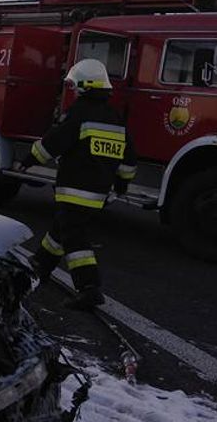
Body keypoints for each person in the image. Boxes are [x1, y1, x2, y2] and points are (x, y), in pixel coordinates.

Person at [17, 58, 136, 309]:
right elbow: (129, 158)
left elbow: (54, 142)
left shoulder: (79, 113)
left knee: (75, 237)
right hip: (99, 193)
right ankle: (41, 264)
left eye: (75, 86)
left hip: (74, 189)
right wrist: (123, 184)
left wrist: (28, 160)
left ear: (86, 86)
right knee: (63, 227)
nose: (73, 91)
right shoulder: (115, 118)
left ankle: (89, 288)